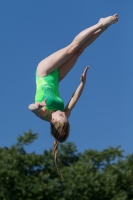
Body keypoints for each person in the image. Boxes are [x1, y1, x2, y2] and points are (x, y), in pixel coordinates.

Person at [28, 14, 119, 179]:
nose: (64, 114)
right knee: (78, 52)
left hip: (43, 72)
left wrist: (38, 105)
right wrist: (82, 83)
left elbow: (31, 108)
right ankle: (104, 26)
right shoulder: (63, 115)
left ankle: (100, 23)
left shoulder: (45, 115)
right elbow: (74, 100)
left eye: (62, 116)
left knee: (71, 48)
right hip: (56, 78)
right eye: (65, 117)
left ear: (54, 122)